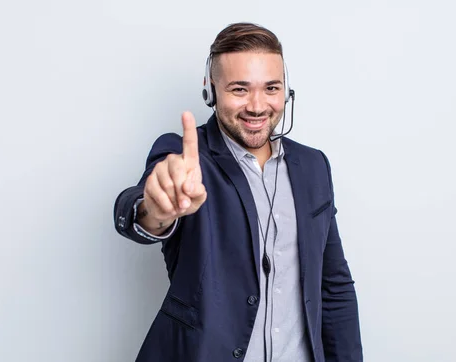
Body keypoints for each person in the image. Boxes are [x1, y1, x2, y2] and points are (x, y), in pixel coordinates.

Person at [113, 22, 363, 362]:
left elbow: (334, 286)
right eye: (240, 90)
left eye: (271, 88)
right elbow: (141, 208)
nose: (258, 107)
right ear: (210, 91)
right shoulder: (185, 157)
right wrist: (156, 211)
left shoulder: (314, 166)